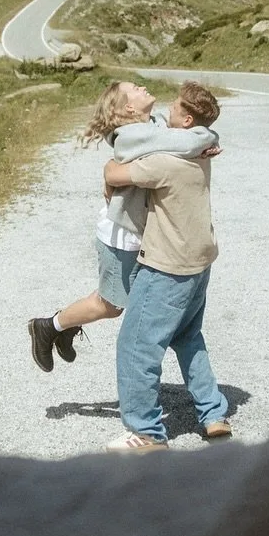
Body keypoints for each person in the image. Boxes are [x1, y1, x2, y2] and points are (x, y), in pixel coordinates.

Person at [27, 80, 220, 373]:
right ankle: (49, 326)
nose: (143, 87)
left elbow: (178, 138)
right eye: (135, 88)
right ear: (129, 107)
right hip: (121, 237)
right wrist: (206, 137)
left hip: (138, 233)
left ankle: (63, 326)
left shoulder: (152, 127)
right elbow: (185, 142)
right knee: (111, 305)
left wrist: (201, 138)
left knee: (124, 302)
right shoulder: (132, 135)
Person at [103, 80, 233, 453]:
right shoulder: (200, 149)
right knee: (188, 336)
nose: (167, 113)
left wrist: (106, 169)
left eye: (174, 109)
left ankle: (146, 432)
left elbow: (115, 174)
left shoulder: (163, 161)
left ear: (186, 119)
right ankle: (213, 414)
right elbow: (170, 132)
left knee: (137, 346)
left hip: (168, 266)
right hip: (200, 260)